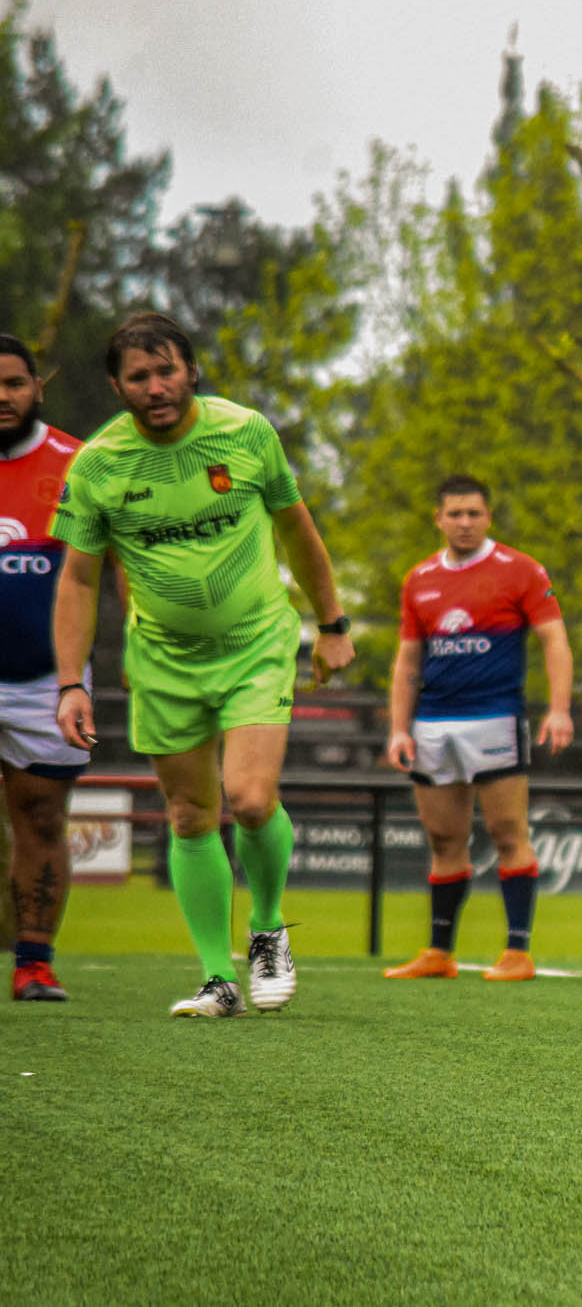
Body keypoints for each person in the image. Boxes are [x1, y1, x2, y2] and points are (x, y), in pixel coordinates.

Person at [51, 312, 354, 1017]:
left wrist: (332, 624)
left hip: (255, 643)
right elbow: (77, 581)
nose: (155, 386)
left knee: (249, 798)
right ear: (116, 385)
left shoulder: (245, 432)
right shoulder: (98, 464)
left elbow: (296, 528)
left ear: (191, 370)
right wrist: (72, 681)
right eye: (138, 376)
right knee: (190, 815)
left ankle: (269, 925)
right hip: (161, 658)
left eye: (166, 370)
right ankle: (218, 977)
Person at [382, 474, 573, 982]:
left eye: (474, 513)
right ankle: (439, 952)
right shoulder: (419, 578)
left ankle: (517, 951)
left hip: (494, 717)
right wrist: (399, 729)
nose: (464, 523)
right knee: (445, 839)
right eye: (455, 514)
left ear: (488, 517)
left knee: (508, 832)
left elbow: (555, 640)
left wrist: (559, 709)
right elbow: (407, 659)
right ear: (438, 518)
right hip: (433, 726)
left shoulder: (521, 570)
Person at [1, 334, 87, 1001]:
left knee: (43, 818)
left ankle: (34, 961)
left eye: (13, 384)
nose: (2, 398)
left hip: (44, 682)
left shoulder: (80, 464)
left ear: (37, 388)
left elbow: (113, 571)